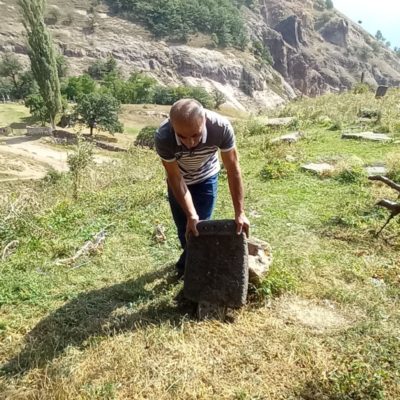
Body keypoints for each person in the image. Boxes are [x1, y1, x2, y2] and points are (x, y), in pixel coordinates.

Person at [155, 98, 250, 277]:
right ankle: (193, 266)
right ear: (172, 126)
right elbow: (175, 177)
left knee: (201, 227)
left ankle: (190, 270)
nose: (190, 143)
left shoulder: (220, 127)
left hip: (207, 176)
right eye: (182, 137)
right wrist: (191, 215)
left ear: (204, 120)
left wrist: (240, 212)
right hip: (180, 181)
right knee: (185, 228)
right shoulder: (163, 136)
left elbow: (233, 168)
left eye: (196, 135)